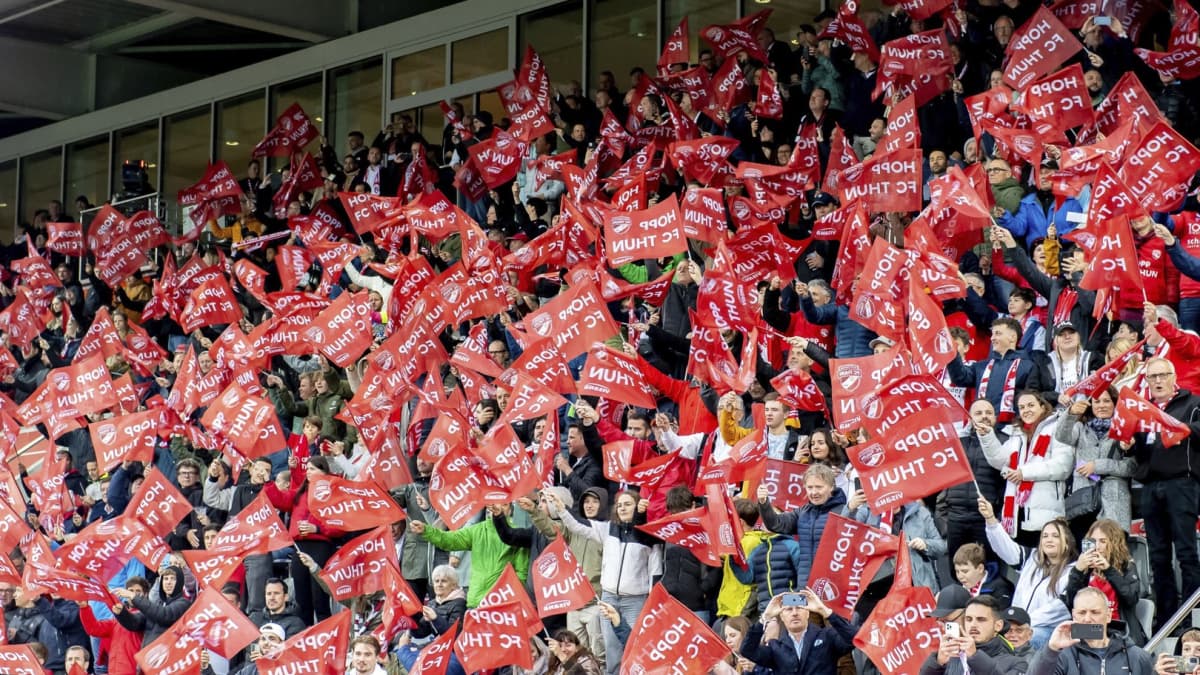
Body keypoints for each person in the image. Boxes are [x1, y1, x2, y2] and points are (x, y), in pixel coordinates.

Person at [1128, 357, 1200, 626]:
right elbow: (1143, 450)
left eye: (1162, 375)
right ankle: (1167, 617)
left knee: (1186, 551)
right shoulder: (1143, 410)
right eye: (1152, 377)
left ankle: (1191, 618)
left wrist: (1182, 429)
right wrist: (1130, 443)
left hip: (1181, 482)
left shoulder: (1192, 403)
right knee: (1157, 555)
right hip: (1150, 486)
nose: (1157, 381)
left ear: (1173, 377)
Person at [557, 489, 660, 675]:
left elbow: (656, 571)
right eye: (619, 505)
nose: (622, 508)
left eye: (628, 504)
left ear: (638, 506)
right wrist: (562, 509)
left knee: (634, 647)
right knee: (612, 651)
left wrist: (652, 601)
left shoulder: (649, 535)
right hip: (609, 598)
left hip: (636, 601)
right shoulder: (608, 529)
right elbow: (578, 525)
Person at [978, 391, 1072, 543]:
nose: (1026, 410)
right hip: (1017, 514)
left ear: (1042, 406)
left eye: (1031, 405)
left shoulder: (1057, 427)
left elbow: (1063, 466)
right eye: (1021, 407)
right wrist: (987, 437)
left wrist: (1024, 473)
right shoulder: (1017, 433)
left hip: (1045, 516)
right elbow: (1000, 460)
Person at [982, 498, 1074, 650]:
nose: (1049, 540)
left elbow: (1061, 608)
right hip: (1018, 625)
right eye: (1045, 536)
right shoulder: (1031, 559)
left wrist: (1025, 622)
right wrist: (991, 520)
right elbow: (1006, 549)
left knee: (1025, 640)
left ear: (1067, 542)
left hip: (1048, 630)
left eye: (1055, 536)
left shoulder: (1074, 571)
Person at [1055, 388, 1135, 535]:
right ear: (1090, 404)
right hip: (1084, 502)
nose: (1102, 405)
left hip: (1114, 503)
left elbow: (1131, 468)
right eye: (1097, 401)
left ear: (1115, 404)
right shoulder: (1080, 428)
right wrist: (1071, 414)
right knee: (1086, 552)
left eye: (1107, 401)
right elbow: (1061, 435)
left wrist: (1098, 466)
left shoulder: (1126, 428)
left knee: (1113, 554)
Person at [756, 463, 848, 588]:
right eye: (810, 487)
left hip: (833, 585)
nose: (814, 492)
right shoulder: (803, 512)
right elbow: (776, 524)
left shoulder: (845, 511)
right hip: (805, 584)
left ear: (831, 487)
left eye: (819, 487)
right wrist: (763, 502)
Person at [1028, 587, 1153, 675]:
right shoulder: (1061, 654)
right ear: (1074, 615)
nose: (1087, 619)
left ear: (1108, 615)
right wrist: (1052, 649)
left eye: (1095, 612)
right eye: (1082, 612)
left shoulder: (1135, 655)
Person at [1063, 519, 1145, 645]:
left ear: (1114, 544)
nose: (1098, 546)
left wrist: (1108, 570)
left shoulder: (1127, 566)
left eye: (1103, 541)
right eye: (1094, 541)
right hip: (1086, 628)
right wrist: (1077, 572)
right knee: (1060, 639)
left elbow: (1131, 598)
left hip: (1117, 628)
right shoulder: (1085, 568)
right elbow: (1071, 603)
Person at [739, 589, 858, 674]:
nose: (794, 613)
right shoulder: (775, 647)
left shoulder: (827, 636)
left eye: (799, 608)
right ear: (782, 616)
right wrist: (765, 616)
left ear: (807, 612)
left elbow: (854, 638)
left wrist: (825, 611)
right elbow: (747, 650)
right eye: (789, 609)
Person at [919, 595, 1028, 674]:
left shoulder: (1018, 664)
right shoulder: (951, 657)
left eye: (981, 620)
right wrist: (937, 664)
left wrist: (975, 657)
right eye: (969, 619)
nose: (973, 625)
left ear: (998, 626)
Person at [113, 565, 190, 647]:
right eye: (165, 579)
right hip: (149, 656)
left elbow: (164, 615)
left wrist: (134, 597)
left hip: (167, 655)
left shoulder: (183, 603)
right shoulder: (157, 604)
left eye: (173, 579)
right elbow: (135, 623)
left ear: (180, 582)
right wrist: (121, 613)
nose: (168, 582)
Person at [410, 564, 467, 640]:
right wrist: (411, 618)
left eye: (444, 581)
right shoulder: (432, 603)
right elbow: (421, 633)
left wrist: (435, 618)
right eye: (436, 581)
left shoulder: (460, 604)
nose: (439, 585)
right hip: (438, 645)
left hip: (452, 649)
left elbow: (455, 635)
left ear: (453, 585)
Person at [954, 543, 1014, 608]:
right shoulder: (957, 588)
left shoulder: (1000, 588)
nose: (960, 576)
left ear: (980, 568)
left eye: (965, 571)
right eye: (957, 571)